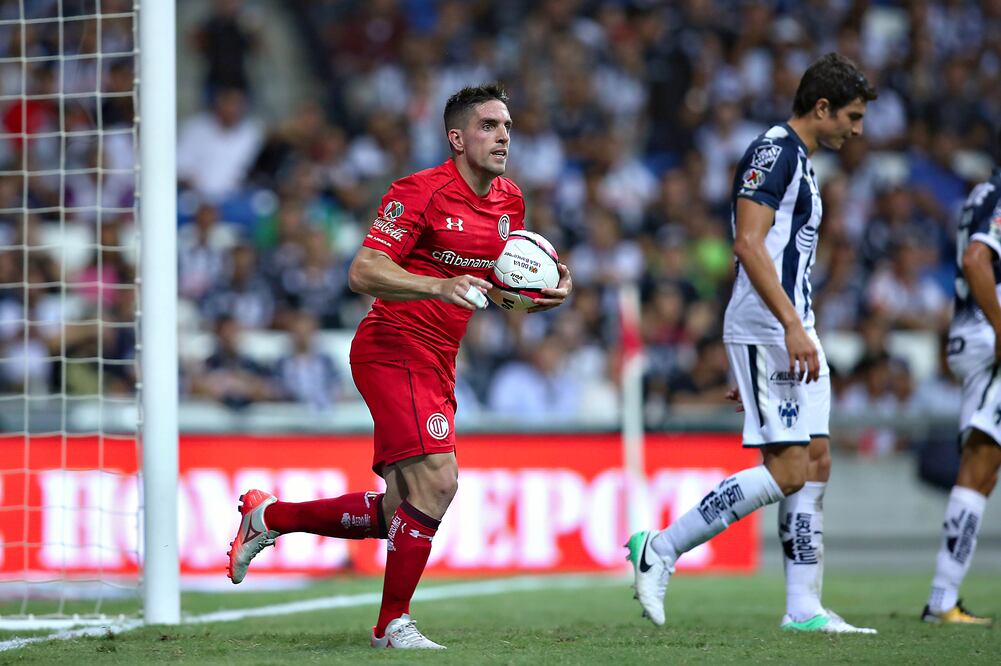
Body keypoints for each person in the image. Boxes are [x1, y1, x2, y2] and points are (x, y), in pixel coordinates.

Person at [224, 83, 572, 649]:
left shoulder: (511, 201)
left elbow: (500, 282)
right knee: (439, 481)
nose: (503, 135)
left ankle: (268, 518)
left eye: (507, 125)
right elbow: (363, 271)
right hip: (393, 344)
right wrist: (438, 284)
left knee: (397, 513)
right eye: (488, 125)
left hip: (439, 359)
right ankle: (391, 626)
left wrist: (543, 291)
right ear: (456, 138)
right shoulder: (419, 192)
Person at [627, 53, 878, 633]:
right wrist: (788, 327)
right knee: (789, 470)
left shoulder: (803, 162)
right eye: (853, 116)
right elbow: (747, 243)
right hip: (772, 324)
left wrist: (796, 326)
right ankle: (661, 547)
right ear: (822, 108)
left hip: (791, 323)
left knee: (815, 462)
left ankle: (804, 608)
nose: (858, 130)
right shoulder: (775, 152)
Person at [919, 143, 1001, 626]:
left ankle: (943, 597)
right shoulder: (998, 196)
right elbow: (976, 261)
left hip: (973, 335)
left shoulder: (981, 194)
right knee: (980, 463)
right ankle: (942, 599)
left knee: (984, 467)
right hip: (989, 341)